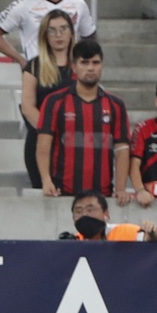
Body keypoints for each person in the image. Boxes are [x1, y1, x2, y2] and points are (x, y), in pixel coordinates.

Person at [37, 40, 130, 204]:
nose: (90, 68)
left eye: (96, 62)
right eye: (84, 62)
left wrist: (121, 188)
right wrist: (46, 180)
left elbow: (121, 149)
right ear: (73, 67)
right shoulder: (55, 102)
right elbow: (44, 145)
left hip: (102, 197)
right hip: (62, 194)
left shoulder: (116, 105)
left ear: (102, 65)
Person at [20, 9, 76, 189]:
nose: (58, 35)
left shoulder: (81, 66)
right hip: (42, 143)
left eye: (63, 29)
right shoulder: (35, 66)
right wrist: (51, 133)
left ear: (71, 32)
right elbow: (28, 107)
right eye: (52, 30)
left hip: (75, 144)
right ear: (45, 35)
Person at [130, 79, 157, 207]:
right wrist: (140, 190)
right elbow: (134, 164)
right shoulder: (143, 128)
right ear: (156, 101)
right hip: (149, 197)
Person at [70, 191, 157, 242]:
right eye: (78, 211)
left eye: (90, 210)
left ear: (106, 213)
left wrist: (153, 231)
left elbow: (154, 240)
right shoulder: (73, 241)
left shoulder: (125, 232)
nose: (84, 214)